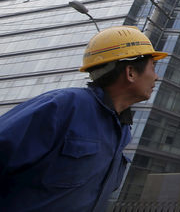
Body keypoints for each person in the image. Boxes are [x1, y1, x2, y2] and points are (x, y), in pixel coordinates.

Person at [0, 25, 167, 212]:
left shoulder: (122, 130)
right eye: (153, 67)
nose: (157, 77)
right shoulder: (63, 106)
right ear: (131, 72)